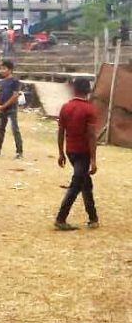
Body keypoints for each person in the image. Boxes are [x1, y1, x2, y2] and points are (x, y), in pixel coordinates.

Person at [54, 77, 100, 231]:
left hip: (70, 151)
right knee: (77, 184)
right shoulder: (90, 109)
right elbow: (91, 136)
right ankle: (61, 218)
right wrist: (93, 160)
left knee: (85, 182)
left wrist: (61, 152)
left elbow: (61, 131)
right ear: (88, 91)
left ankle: (93, 218)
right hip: (83, 152)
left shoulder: (66, 107)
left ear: (74, 89)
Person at [0, 59, 24, 159]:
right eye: (1, 69)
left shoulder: (15, 81)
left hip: (11, 108)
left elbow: (15, 96)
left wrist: (4, 105)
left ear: (10, 69)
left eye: (4, 69)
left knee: (14, 129)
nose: (2, 71)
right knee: (1, 129)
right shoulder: (3, 81)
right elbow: (0, 93)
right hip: (3, 107)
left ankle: (19, 152)